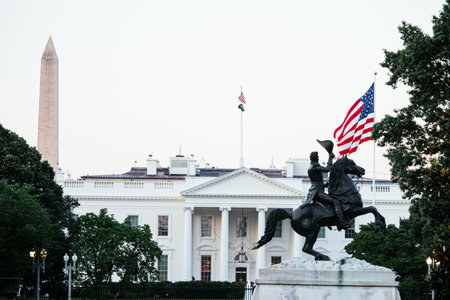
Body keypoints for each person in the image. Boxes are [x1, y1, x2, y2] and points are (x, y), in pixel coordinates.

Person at [301, 151, 350, 230]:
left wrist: (324, 185)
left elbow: (316, 181)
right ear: (314, 158)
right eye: (317, 156)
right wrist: (330, 158)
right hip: (317, 192)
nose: (318, 158)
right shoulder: (314, 167)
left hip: (316, 190)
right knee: (335, 201)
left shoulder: (312, 166)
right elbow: (328, 169)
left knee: (330, 202)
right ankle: (342, 222)